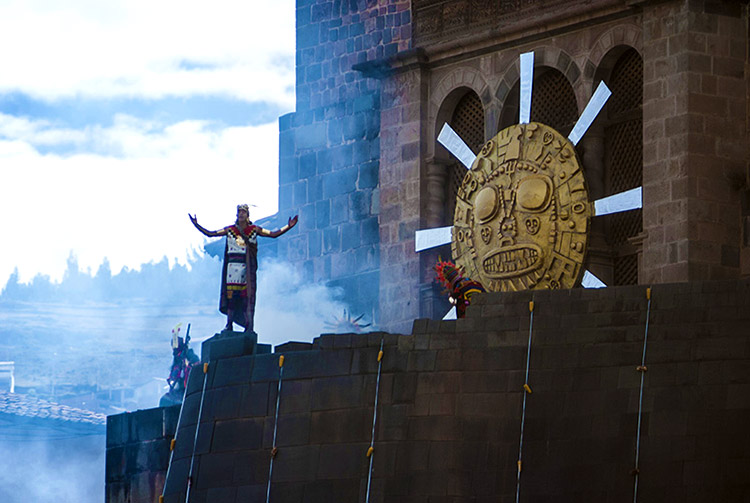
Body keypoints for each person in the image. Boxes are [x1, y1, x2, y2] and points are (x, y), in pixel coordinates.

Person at [189, 204, 298, 332]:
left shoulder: (254, 229)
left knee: (247, 298)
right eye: (239, 212)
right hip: (232, 269)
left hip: (247, 268)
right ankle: (229, 325)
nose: (241, 214)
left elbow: (273, 234)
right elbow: (211, 234)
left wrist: (288, 226)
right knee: (231, 299)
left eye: (243, 212)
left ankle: (248, 326)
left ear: (247, 215)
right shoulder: (229, 230)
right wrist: (197, 225)